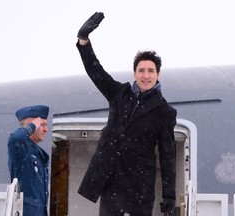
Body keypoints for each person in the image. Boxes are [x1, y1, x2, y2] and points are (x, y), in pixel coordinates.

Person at [77, 12, 177, 216]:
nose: (146, 75)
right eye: (141, 71)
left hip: (139, 186)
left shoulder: (165, 112)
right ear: (135, 73)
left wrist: (169, 196)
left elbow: (167, 156)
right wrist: (83, 42)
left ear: (158, 74)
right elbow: (96, 72)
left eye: (150, 71)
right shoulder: (119, 94)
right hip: (111, 180)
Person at [7, 105, 50, 216]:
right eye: (42, 125)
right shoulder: (21, 149)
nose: (46, 129)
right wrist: (32, 125)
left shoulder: (36, 152)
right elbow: (14, 139)